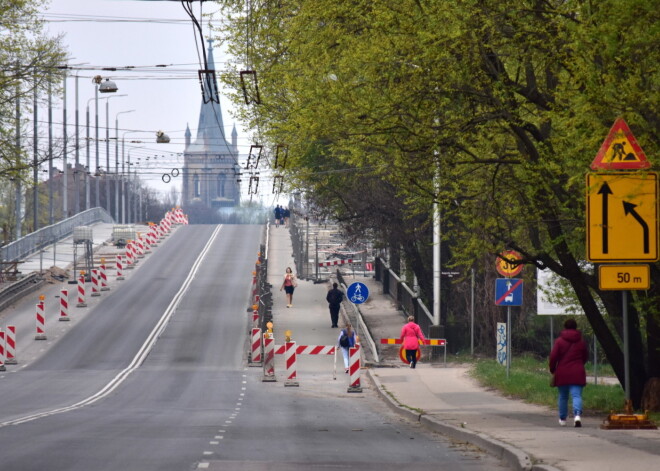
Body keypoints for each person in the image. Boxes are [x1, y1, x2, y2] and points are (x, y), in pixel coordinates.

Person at [549, 318, 588, 427]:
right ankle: (577, 416)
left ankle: (562, 419)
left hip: (562, 372)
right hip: (577, 372)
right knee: (576, 395)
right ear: (576, 327)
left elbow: (553, 357)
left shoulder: (559, 341)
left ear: (565, 327)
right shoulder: (581, 341)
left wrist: (552, 369)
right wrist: (579, 364)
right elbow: (585, 357)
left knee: (563, 396)